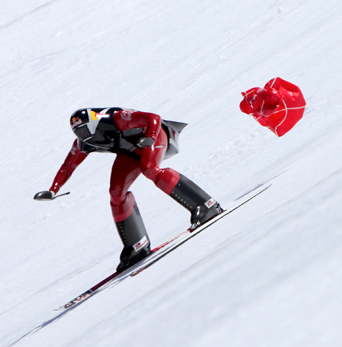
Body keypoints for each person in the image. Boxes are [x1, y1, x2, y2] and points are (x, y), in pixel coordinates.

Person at [34, 108, 222, 272]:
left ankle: (204, 204)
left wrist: (148, 139)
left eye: (84, 129)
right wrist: (53, 189)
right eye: (78, 132)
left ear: (93, 122)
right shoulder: (83, 142)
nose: (83, 135)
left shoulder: (114, 118)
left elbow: (153, 118)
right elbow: (68, 166)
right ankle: (136, 244)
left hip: (153, 136)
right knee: (116, 193)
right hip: (130, 151)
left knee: (150, 169)